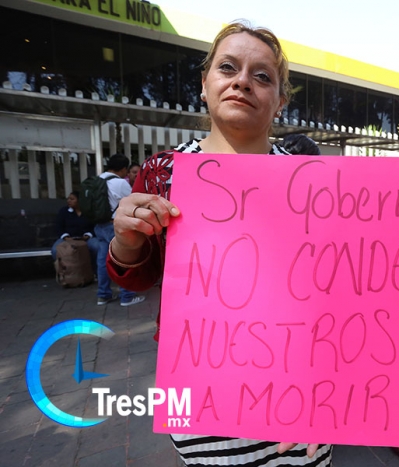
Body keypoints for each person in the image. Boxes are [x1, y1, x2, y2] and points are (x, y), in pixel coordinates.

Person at [106, 21, 331, 467]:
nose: (243, 81)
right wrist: (125, 240)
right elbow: (142, 278)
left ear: (280, 101)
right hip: (202, 387)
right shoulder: (162, 172)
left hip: (299, 392)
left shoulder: (313, 182)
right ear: (205, 84)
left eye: (262, 76)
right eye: (228, 67)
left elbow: (339, 288)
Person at [95, 153, 146, 307]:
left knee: (102, 260)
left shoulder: (98, 180)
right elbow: (134, 203)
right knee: (123, 260)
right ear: (124, 169)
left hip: (100, 226)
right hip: (115, 225)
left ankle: (103, 295)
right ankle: (127, 296)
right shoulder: (120, 183)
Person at [51, 191, 99, 272]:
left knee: (97, 247)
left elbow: (95, 226)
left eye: (72, 199)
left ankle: (94, 270)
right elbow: (59, 227)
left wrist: (88, 235)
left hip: (86, 238)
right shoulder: (64, 211)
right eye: (68, 199)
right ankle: (66, 273)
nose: (69, 201)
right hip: (68, 238)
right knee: (55, 250)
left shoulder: (89, 212)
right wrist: (66, 237)